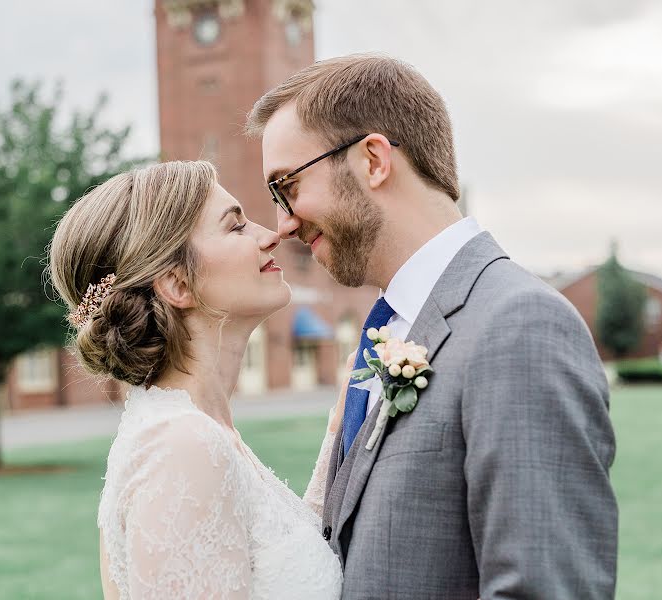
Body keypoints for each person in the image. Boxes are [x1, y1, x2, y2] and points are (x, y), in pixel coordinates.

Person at [246, 53, 618, 599]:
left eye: (288, 186)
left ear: (373, 160)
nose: (283, 223)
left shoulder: (520, 325)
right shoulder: (392, 329)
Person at [48, 160, 345, 599]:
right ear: (177, 283)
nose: (271, 234)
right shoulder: (181, 447)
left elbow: (278, 563)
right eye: (236, 227)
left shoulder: (197, 431)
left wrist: (339, 429)